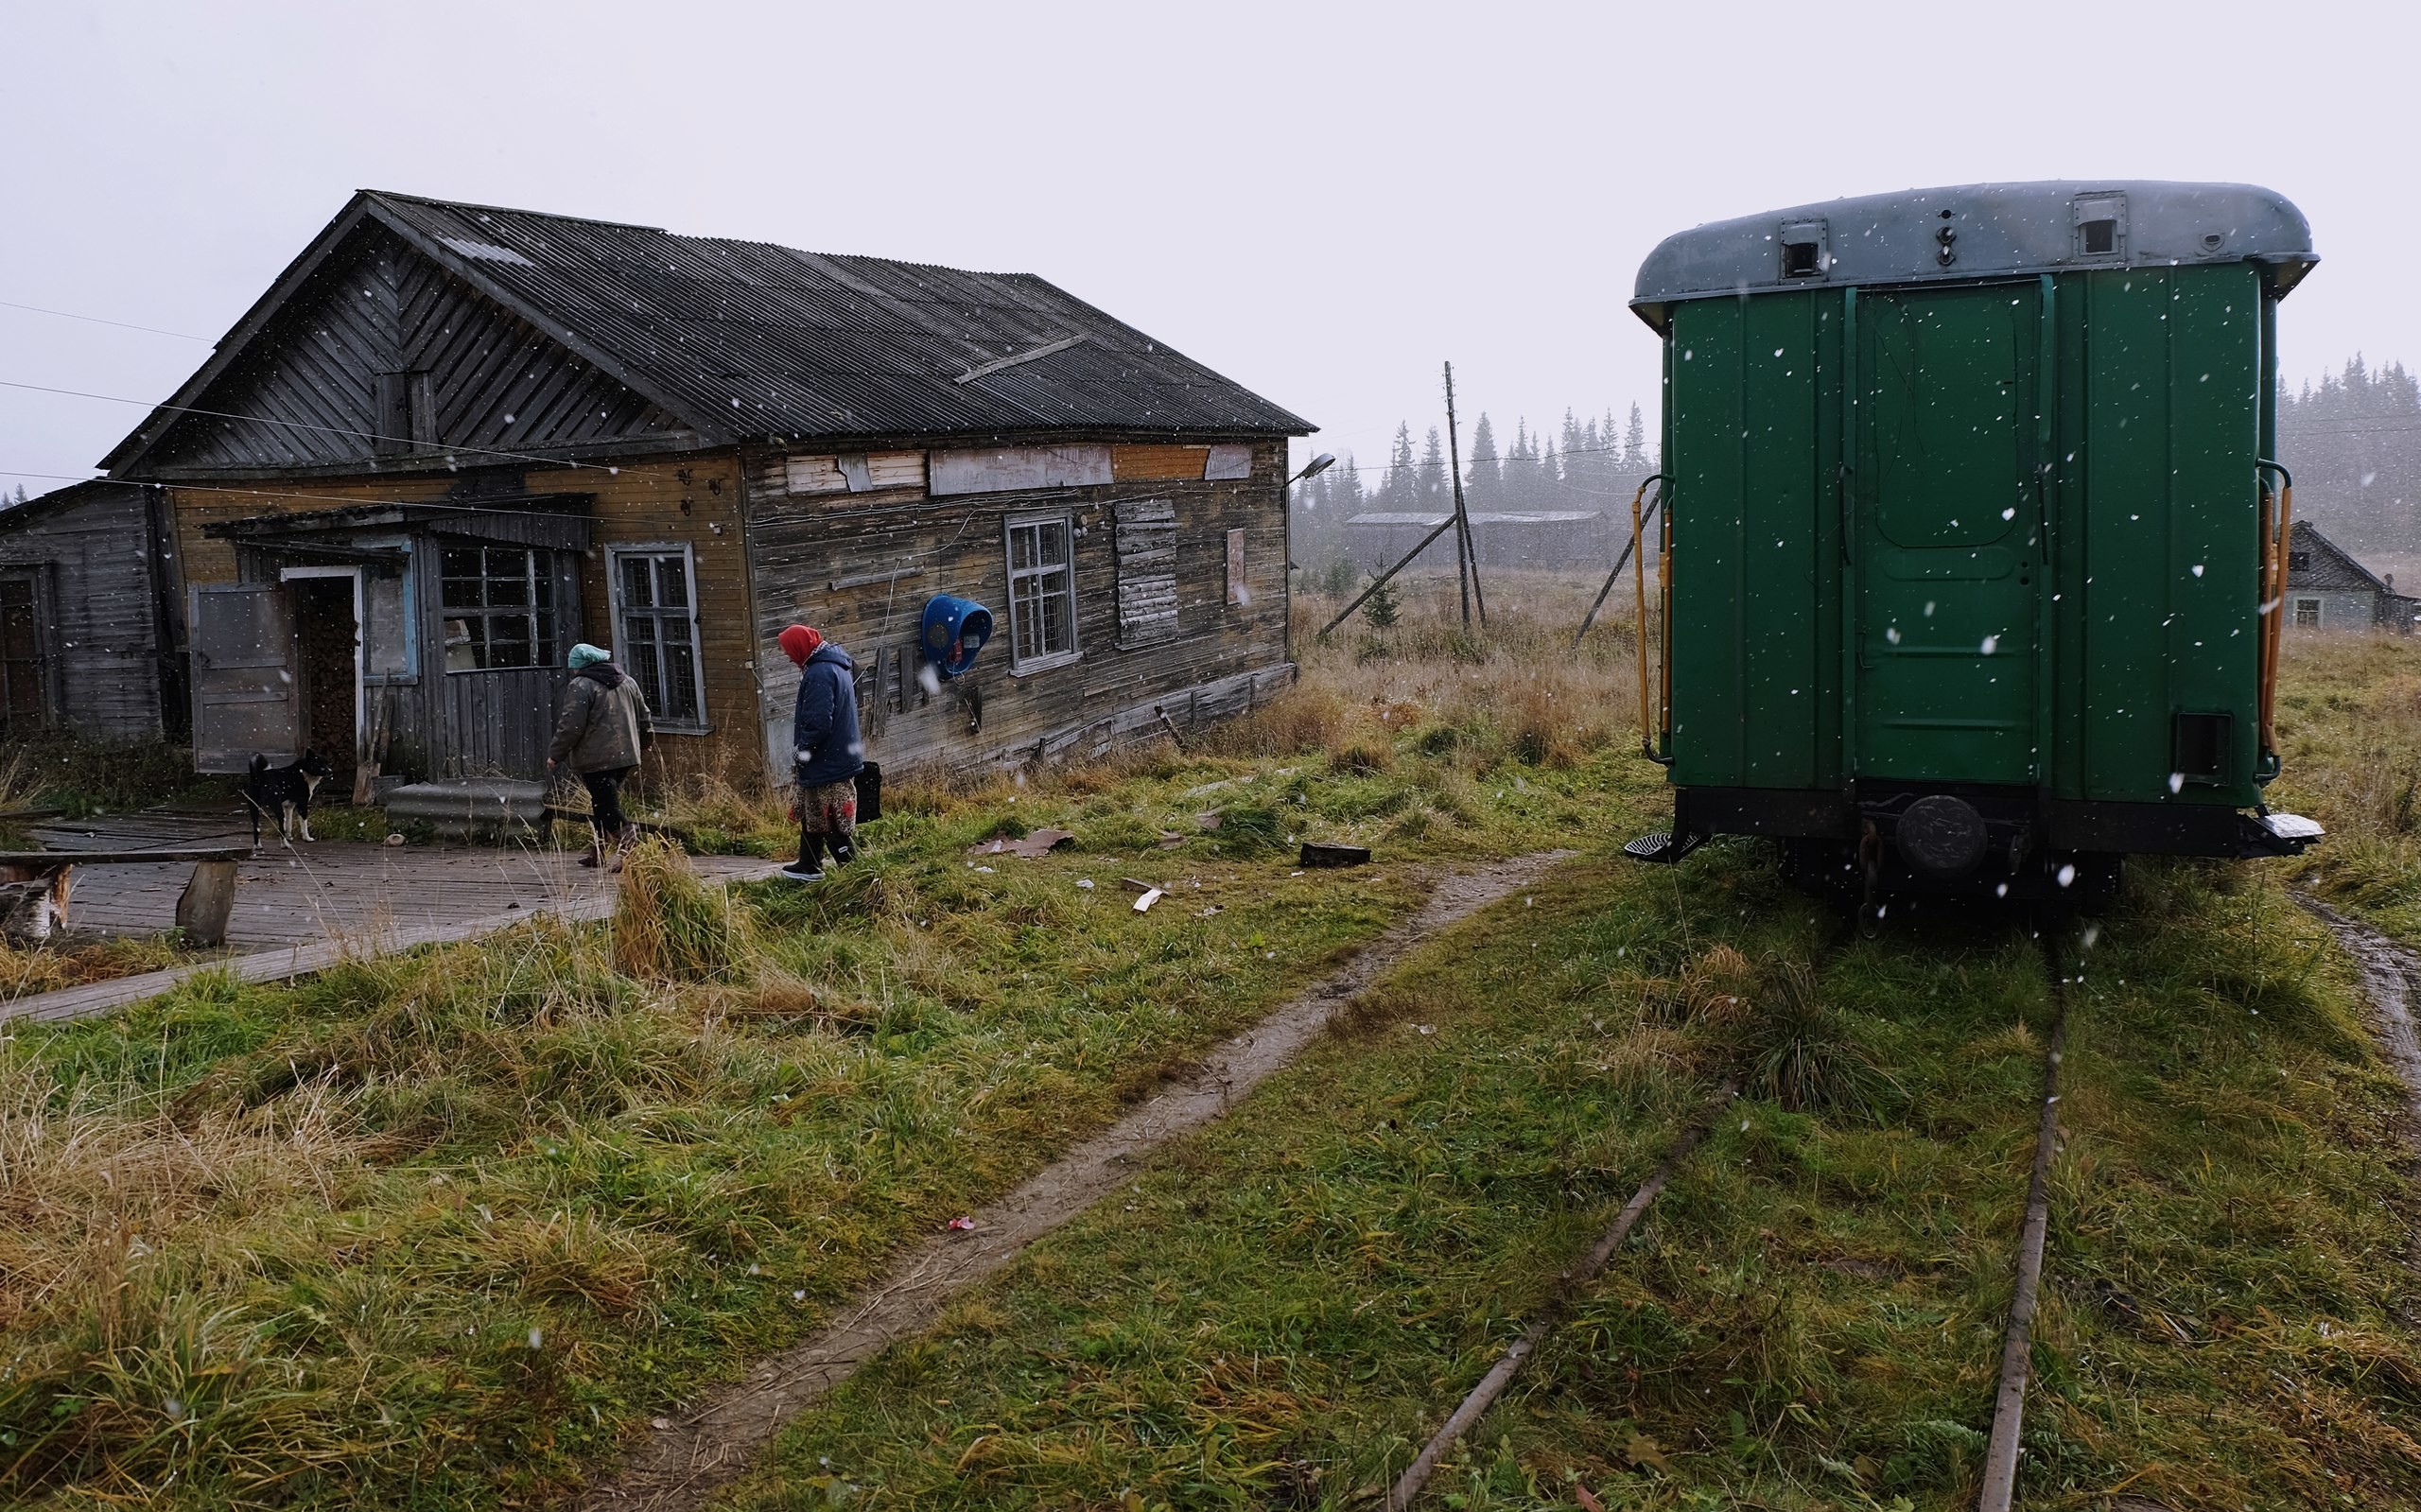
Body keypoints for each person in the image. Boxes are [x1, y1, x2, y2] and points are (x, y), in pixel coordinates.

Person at [547, 642, 655, 869]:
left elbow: (571, 725)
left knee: (607, 807)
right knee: (601, 803)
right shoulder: (628, 681)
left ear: (581, 666)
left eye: (574, 667)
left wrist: (556, 754)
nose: (573, 672)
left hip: (597, 759)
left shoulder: (582, 685)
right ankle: (598, 852)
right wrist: (646, 741)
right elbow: (644, 715)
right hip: (626, 755)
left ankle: (631, 848)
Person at [779, 623, 862, 882]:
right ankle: (809, 864)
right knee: (814, 811)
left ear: (800, 647)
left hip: (828, 760)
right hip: (836, 756)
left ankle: (857, 875)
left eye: (789, 650)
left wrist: (802, 750)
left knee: (831, 818)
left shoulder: (819, 673)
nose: (788, 656)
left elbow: (818, 723)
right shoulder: (834, 666)